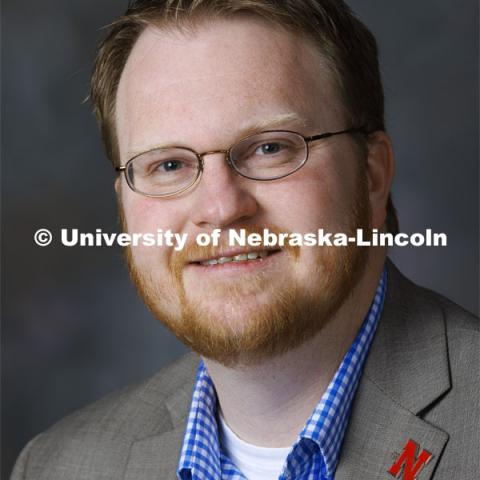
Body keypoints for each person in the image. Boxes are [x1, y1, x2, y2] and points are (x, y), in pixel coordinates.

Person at [11, 1, 478, 479]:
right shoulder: (56, 466)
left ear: (373, 173)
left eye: (271, 148)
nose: (220, 208)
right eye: (168, 165)